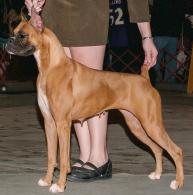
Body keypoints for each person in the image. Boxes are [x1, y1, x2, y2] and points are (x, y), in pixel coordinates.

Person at [25, 0, 157, 182]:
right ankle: (85, 155)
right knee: (72, 97)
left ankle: (99, 157)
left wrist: (146, 36)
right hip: (53, 14)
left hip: (87, 13)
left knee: (93, 91)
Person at [150, 0, 185, 84]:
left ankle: (156, 79)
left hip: (159, 32)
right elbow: (181, 16)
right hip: (173, 33)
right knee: (171, 59)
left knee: (155, 58)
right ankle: (169, 80)